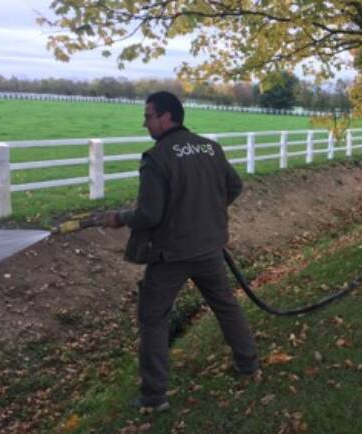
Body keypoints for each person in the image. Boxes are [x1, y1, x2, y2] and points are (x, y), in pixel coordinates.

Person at [102, 91, 260, 411]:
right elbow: (235, 186)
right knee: (227, 308)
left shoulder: (156, 158)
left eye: (148, 116)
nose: (144, 123)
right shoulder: (210, 149)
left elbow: (148, 215)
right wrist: (208, 213)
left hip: (170, 256)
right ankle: (249, 366)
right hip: (209, 250)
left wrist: (119, 218)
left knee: (153, 320)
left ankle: (154, 397)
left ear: (166, 117)